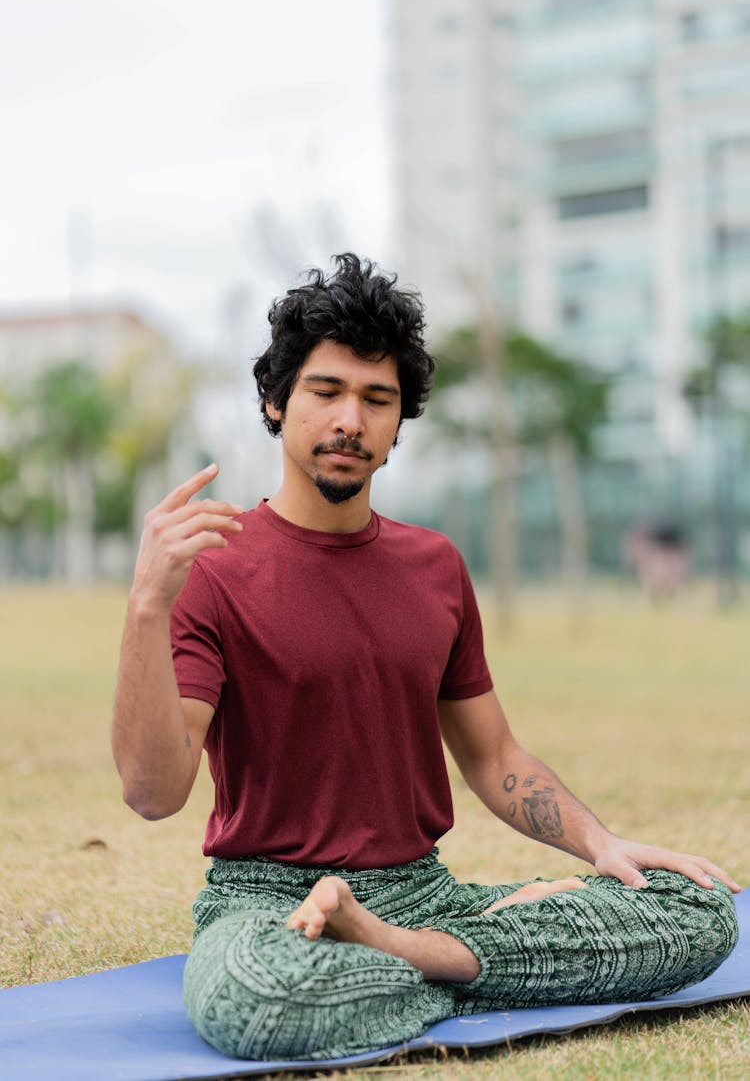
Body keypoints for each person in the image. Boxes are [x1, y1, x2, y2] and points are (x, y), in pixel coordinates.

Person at [112, 253, 739, 1063]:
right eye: (326, 391)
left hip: (425, 892)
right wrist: (145, 606)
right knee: (256, 1000)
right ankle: (471, 956)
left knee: (700, 912)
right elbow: (152, 792)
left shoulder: (435, 565)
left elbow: (494, 756)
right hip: (265, 897)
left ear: (399, 422)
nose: (351, 420)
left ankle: (388, 945)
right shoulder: (216, 570)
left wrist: (601, 846)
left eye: (378, 400)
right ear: (276, 401)